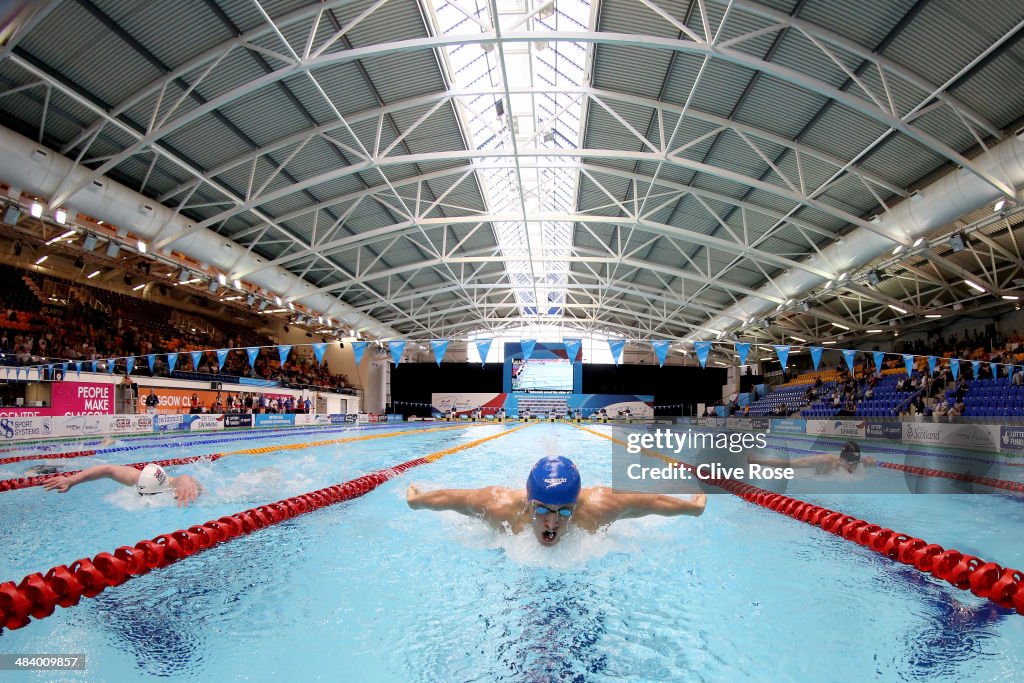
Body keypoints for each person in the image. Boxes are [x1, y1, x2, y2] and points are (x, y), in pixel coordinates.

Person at [406, 455, 706, 547]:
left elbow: (652, 502)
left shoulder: (599, 507)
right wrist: (416, 501)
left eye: (564, 512)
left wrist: (692, 508)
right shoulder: (500, 506)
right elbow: (451, 498)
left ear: (577, 506)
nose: (552, 523)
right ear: (528, 501)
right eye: (542, 510)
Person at [42, 463, 202, 506]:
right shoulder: (140, 478)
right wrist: (71, 480)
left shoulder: (180, 488)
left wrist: (187, 480)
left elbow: (183, 479)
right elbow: (108, 470)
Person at [748, 441, 876, 476]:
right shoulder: (825, 461)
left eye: (855, 462)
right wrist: (755, 462)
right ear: (842, 459)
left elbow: (869, 462)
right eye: (850, 463)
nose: (853, 466)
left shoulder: (857, 461)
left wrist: (872, 463)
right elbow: (786, 463)